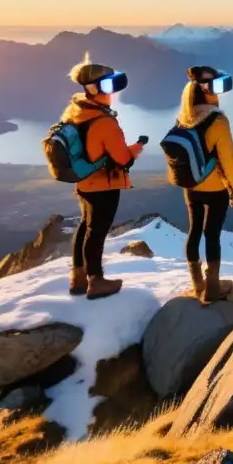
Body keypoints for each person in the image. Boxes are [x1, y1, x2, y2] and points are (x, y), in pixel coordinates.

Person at [63, 59, 144, 300]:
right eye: (108, 85)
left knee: (85, 227)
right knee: (96, 232)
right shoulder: (104, 122)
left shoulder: (76, 111)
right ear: (93, 88)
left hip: (84, 182)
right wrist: (137, 148)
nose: (113, 90)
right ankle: (95, 281)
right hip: (103, 186)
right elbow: (122, 159)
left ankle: (78, 277)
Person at [176, 66, 233, 303]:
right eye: (216, 86)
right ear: (206, 91)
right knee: (212, 234)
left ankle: (198, 284)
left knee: (194, 230)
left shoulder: (184, 118)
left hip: (191, 186)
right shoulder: (218, 121)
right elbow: (228, 161)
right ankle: (213, 287)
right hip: (215, 188)